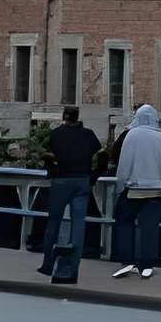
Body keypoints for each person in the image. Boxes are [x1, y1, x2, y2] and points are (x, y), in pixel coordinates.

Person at [112, 103, 161, 278]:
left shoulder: (132, 135)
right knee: (150, 228)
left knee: (124, 221)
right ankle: (147, 264)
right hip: (155, 189)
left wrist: (120, 185)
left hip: (134, 189)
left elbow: (124, 164)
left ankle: (127, 259)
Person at [41, 104, 97, 282]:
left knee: (53, 223)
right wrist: (93, 177)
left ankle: (48, 263)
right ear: (78, 117)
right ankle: (73, 268)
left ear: (64, 116)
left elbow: (47, 157)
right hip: (82, 181)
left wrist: (52, 172)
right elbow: (101, 156)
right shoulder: (89, 135)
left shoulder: (56, 134)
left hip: (61, 181)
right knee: (78, 226)